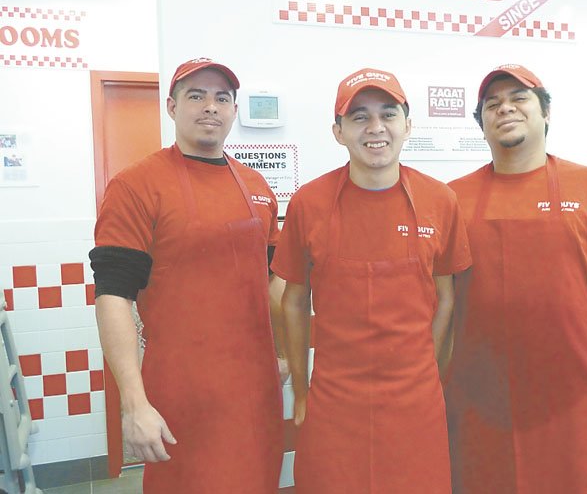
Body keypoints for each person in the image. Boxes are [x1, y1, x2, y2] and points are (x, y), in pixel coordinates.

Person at [443, 64, 587, 494]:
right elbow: (437, 304)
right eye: (492, 104)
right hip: (478, 402)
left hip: (574, 400)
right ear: (481, 124)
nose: (505, 109)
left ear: (546, 114)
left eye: (519, 99)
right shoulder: (451, 199)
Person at [89, 58, 284, 493]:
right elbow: (113, 296)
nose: (210, 107)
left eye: (222, 98)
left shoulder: (256, 187)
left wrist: (287, 354)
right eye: (196, 95)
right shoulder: (136, 186)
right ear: (172, 107)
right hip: (182, 392)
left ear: (234, 110)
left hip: (255, 390)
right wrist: (133, 402)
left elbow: (274, 281)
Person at [272, 68, 471, 493]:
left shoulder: (441, 201)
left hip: (415, 402)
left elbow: (447, 298)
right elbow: (292, 300)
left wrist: (428, 378)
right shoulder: (310, 202)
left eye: (388, 114)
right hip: (334, 401)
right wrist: (303, 393)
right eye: (359, 116)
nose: (375, 128)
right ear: (338, 131)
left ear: (408, 125)